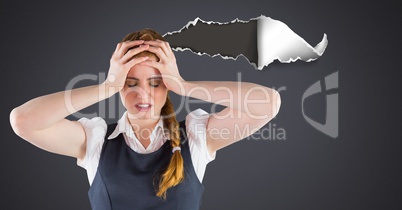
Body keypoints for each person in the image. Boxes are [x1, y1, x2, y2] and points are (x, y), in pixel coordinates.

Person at [9, 28, 281, 209]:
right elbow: (22, 121)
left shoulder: (196, 136)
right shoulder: (96, 140)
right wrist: (106, 86)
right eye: (129, 83)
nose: (143, 95)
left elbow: (269, 103)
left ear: (167, 86)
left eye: (155, 83)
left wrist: (184, 85)